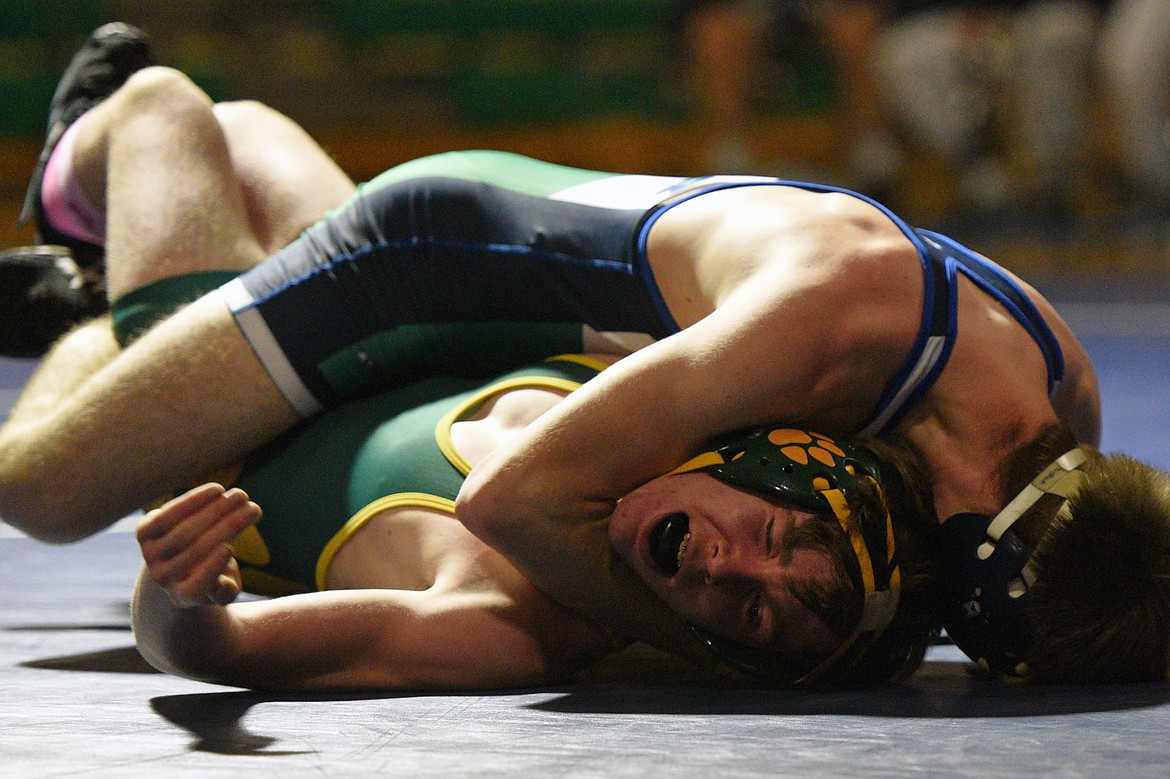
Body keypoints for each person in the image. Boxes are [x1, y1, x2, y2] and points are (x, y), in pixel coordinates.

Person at [1, 24, 1166, 685]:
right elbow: (517, 501)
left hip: (533, 307)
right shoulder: (821, 336)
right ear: (979, 526)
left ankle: (229, 168)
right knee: (50, 490)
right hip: (421, 267)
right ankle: (123, 132)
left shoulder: (1059, 400)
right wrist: (741, 651)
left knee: (256, 360)